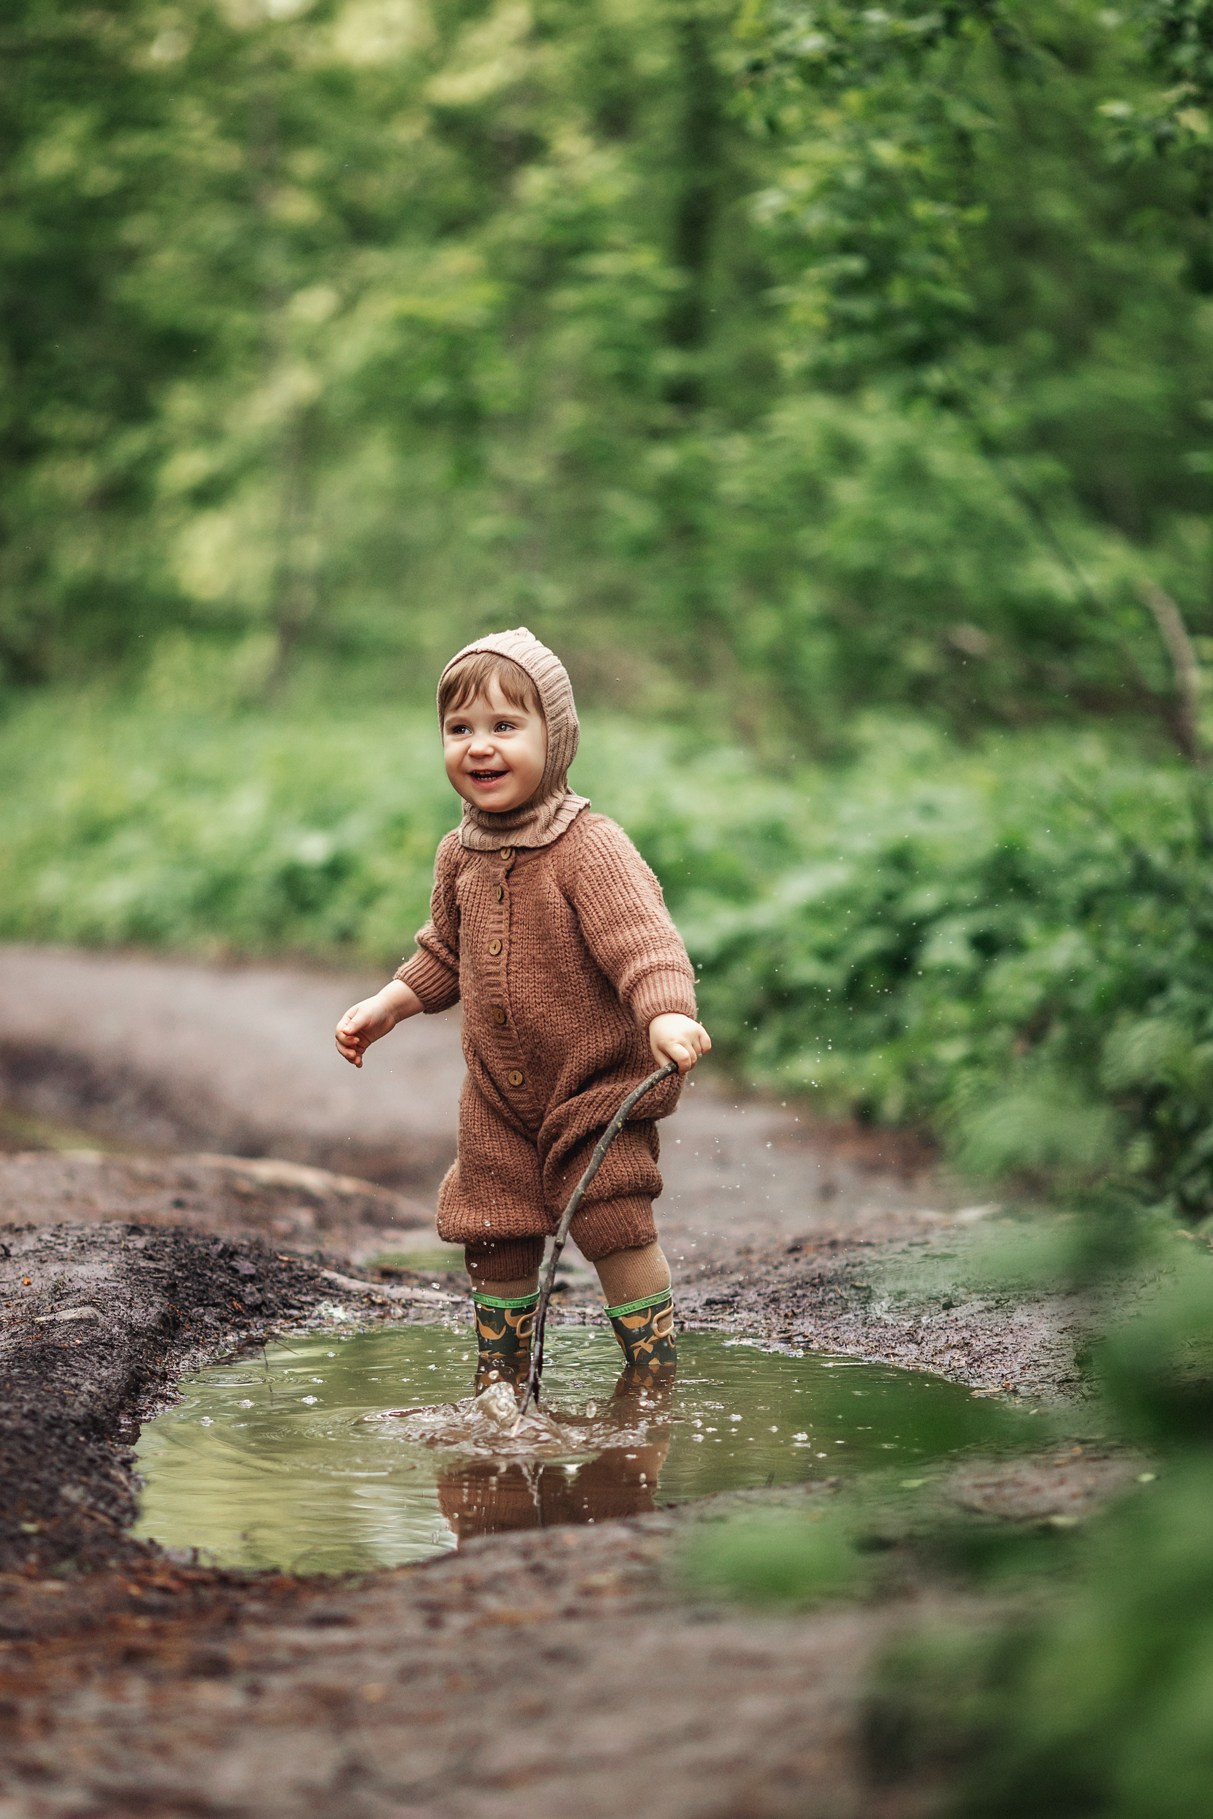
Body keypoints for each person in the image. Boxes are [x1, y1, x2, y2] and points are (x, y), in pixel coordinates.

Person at [335, 627, 711, 1394]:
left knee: (611, 1215)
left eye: (505, 726)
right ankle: (500, 1381)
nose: (480, 746)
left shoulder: (588, 846)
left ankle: (651, 1372)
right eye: (459, 729)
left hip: (593, 1087)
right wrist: (388, 1004)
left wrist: (664, 1015)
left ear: (556, 737)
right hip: (500, 1098)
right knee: (490, 1225)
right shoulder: (459, 853)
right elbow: (445, 952)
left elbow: (644, 946)